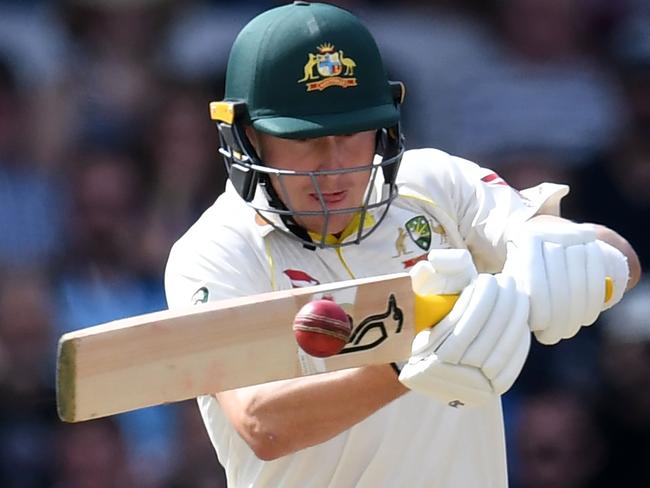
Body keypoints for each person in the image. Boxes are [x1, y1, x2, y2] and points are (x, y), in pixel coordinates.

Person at [164, 3, 641, 486]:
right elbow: (261, 424)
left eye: (351, 133)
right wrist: (409, 364)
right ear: (246, 137)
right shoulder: (215, 251)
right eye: (305, 139)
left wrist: (558, 254)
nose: (333, 166)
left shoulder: (435, 185)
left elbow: (622, 257)